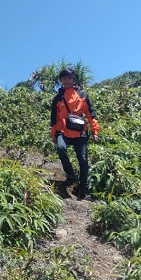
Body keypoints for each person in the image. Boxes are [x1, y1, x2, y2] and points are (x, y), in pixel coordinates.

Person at [50, 68, 100, 200]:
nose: (67, 81)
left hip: (80, 133)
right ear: (61, 80)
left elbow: (91, 114)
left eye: (69, 78)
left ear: (74, 80)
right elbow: (53, 119)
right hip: (63, 131)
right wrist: (54, 134)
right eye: (64, 78)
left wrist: (95, 131)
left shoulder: (83, 95)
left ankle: (82, 188)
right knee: (61, 148)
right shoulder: (57, 98)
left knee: (83, 161)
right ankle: (70, 175)